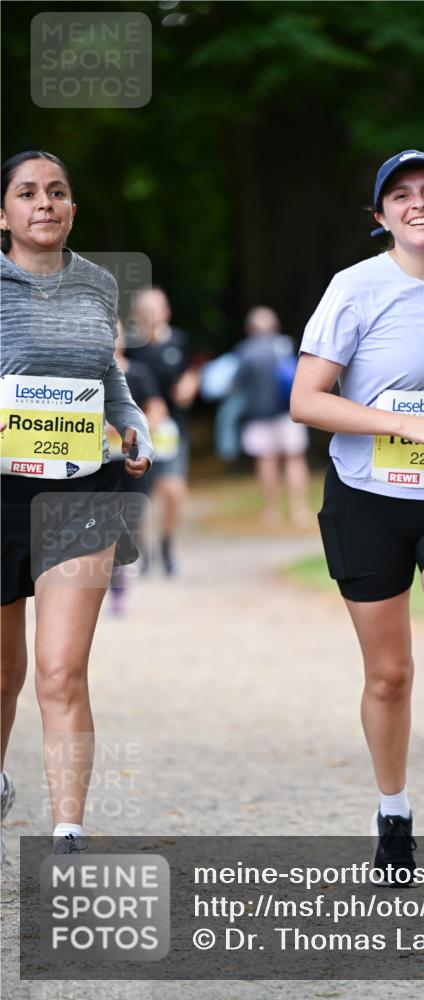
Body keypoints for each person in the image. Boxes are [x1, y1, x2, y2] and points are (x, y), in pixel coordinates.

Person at [291, 150, 424, 890]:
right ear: (379, 215)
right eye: (400, 196)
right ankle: (392, 815)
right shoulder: (354, 289)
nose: (418, 204)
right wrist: (399, 425)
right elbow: (307, 399)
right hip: (366, 496)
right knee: (388, 675)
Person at [0, 151, 153, 854]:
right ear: (3, 213)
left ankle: (67, 831)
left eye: (57, 192)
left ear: (73, 209)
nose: (45, 204)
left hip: (84, 489)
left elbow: (108, 376)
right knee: (6, 672)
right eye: (27, 193)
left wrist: (133, 424)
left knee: (62, 667)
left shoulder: (96, 285)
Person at [125, 287, 198, 574]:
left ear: (167, 311)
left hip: (172, 428)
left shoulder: (178, 341)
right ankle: (142, 551)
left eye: (157, 307)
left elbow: (192, 370)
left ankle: (166, 542)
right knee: (141, 493)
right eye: (146, 308)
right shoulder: (130, 346)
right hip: (137, 428)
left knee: (173, 489)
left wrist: (190, 385)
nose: (153, 314)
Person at [106, 322, 166, 614]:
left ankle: (120, 583)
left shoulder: (138, 374)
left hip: (130, 462)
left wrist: (138, 430)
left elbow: (156, 410)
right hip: (97, 463)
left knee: (129, 521)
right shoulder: (84, 374)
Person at [235, 306, 310, 527]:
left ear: (250, 329)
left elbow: (237, 383)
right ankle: (299, 508)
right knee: (295, 458)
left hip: (257, 416)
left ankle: (272, 511)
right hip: (289, 413)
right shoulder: (284, 345)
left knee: (266, 461)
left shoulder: (245, 351)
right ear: (274, 326)